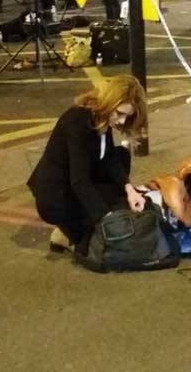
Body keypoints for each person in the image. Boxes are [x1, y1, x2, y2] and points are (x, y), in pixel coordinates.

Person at [27, 75, 148, 254]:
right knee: (108, 213)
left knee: (121, 157)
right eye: (120, 113)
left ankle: (75, 228)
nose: (122, 121)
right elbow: (79, 180)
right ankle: (68, 230)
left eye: (127, 116)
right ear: (109, 103)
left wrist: (130, 189)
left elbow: (109, 159)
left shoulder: (102, 118)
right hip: (55, 197)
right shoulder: (78, 121)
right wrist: (107, 218)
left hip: (74, 184)